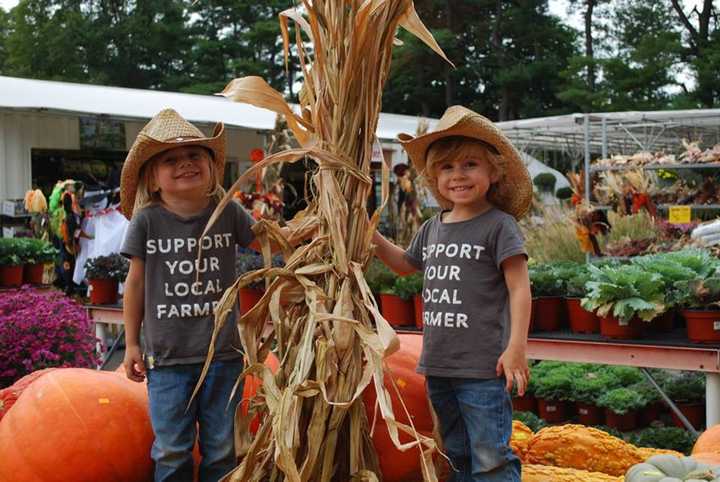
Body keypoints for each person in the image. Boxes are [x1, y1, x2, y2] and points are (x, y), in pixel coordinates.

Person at [372, 105, 533, 481]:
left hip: (482, 367)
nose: (458, 175)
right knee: (456, 451)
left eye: (469, 165)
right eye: (447, 168)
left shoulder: (499, 226)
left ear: (493, 172)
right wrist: (374, 238)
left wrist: (517, 347)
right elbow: (405, 264)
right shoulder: (433, 227)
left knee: (490, 454)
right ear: (433, 178)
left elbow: (520, 288)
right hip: (438, 364)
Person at [119, 108, 261, 482]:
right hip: (167, 360)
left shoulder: (228, 212)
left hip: (224, 355)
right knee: (171, 450)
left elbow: (269, 240)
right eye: (171, 160)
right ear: (153, 178)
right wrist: (131, 343)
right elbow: (134, 284)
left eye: (195, 155)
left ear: (213, 166)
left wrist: (315, 228)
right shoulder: (147, 220)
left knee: (222, 447)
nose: (185, 164)